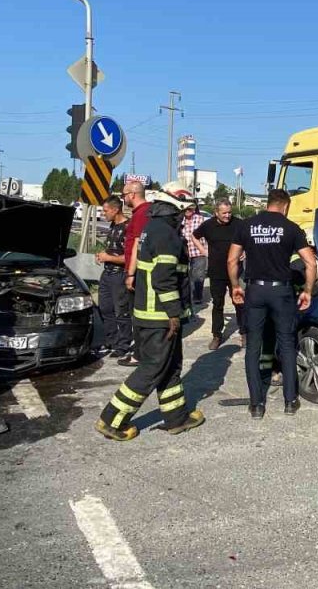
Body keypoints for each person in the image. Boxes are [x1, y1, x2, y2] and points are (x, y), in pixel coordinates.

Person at [95, 200, 205, 441]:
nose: (186, 216)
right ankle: (112, 419)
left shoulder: (151, 228)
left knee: (171, 366)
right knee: (152, 368)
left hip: (149, 313)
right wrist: (174, 313)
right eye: (184, 211)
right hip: (160, 317)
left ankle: (177, 418)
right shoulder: (166, 235)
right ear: (174, 210)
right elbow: (163, 279)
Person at [227, 189, 317, 419]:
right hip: (281, 292)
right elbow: (310, 263)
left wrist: (236, 286)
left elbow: (231, 259)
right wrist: (307, 290)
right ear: (285, 206)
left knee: (253, 347)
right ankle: (290, 401)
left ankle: (256, 405)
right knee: (286, 344)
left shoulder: (246, 225)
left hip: (255, 290)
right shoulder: (291, 228)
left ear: (268, 204)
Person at [194, 199, 247, 350]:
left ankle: (244, 332)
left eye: (229, 212)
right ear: (216, 212)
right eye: (224, 213)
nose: (227, 215)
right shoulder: (208, 225)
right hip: (216, 271)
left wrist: (246, 251)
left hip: (235, 271)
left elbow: (249, 239)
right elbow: (194, 236)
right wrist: (203, 251)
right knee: (218, 304)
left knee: (240, 302)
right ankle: (217, 335)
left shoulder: (239, 224)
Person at [119, 181, 152, 367]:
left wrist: (131, 273)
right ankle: (140, 350)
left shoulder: (141, 214)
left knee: (137, 315)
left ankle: (139, 354)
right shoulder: (141, 213)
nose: (123, 198)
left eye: (124, 195)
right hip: (136, 270)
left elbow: (138, 245)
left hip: (137, 271)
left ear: (132, 194)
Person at [93, 197, 131, 358]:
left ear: (115, 210)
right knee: (105, 309)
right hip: (107, 274)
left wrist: (109, 258)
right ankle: (111, 341)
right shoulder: (113, 225)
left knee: (121, 312)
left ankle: (123, 345)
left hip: (119, 275)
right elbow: (114, 250)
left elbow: (129, 257)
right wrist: (103, 256)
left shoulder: (128, 227)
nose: (103, 214)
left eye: (105, 210)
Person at [182, 200, 208, 308]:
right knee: (186, 276)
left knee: (198, 276)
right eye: (186, 208)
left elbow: (207, 235)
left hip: (198, 252)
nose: (188, 210)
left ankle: (197, 297)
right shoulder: (179, 220)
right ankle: (187, 296)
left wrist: (207, 250)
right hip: (184, 253)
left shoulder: (200, 219)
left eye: (190, 208)